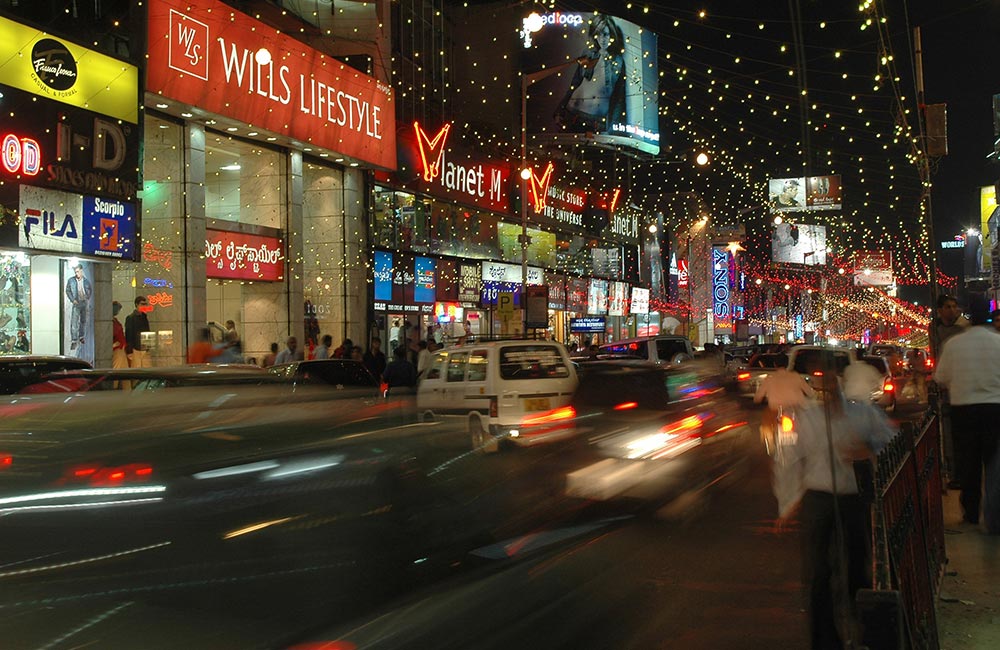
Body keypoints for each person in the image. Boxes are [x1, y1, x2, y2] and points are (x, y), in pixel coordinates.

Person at [775, 372, 896, 649]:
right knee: (819, 573)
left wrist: (868, 450)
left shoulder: (863, 414)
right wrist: (787, 501)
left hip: (853, 497)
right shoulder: (807, 419)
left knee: (856, 566)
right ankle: (825, 638)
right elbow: (788, 459)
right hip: (819, 497)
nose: (827, 393)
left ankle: (862, 631)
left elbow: (891, 439)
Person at [934, 308, 1000, 532]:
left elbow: (940, 378)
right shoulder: (998, 342)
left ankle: (971, 512)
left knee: (969, 463)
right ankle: (994, 516)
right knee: (994, 461)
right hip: (995, 408)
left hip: (964, 410)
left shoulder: (954, 344)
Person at [555, 13, 626, 134]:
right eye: (599, 34)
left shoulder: (618, 61)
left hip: (598, 121)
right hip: (573, 113)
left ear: (611, 36)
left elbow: (619, 96)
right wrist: (559, 110)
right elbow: (575, 84)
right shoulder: (588, 54)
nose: (603, 38)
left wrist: (612, 127)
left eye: (606, 34)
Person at [928, 294, 970, 487]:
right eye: (948, 306)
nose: (953, 310)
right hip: (945, 385)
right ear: (940, 310)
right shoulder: (934, 328)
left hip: (963, 383)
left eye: (955, 306)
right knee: (948, 431)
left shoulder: (963, 327)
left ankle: (961, 472)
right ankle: (953, 472)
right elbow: (935, 352)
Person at [753, 360, 815, 451]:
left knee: (765, 426)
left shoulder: (770, 378)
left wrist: (757, 400)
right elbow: (810, 393)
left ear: (775, 364)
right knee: (808, 428)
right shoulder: (795, 376)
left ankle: (770, 446)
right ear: (787, 364)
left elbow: (758, 397)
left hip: (775, 411)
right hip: (796, 410)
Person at [64, 263, 92, 350]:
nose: (77, 274)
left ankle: (81, 336)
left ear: (81, 271)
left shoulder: (86, 281)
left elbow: (90, 290)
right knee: (74, 322)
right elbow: (68, 291)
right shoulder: (71, 280)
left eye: (78, 272)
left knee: (83, 321)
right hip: (76, 303)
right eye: (75, 272)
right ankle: (74, 340)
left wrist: (87, 297)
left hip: (84, 302)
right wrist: (73, 300)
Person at [124, 296, 152, 368]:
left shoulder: (144, 317)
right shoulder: (131, 318)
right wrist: (129, 350)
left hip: (144, 347)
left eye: (145, 304)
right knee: (137, 367)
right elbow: (129, 334)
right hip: (136, 348)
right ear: (137, 304)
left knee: (146, 367)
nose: (144, 306)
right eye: (142, 304)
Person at [111, 301, 128, 370]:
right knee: (116, 369)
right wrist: (113, 345)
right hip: (116, 349)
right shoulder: (110, 322)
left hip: (121, 348)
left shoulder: (115, 320)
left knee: (125, 372)